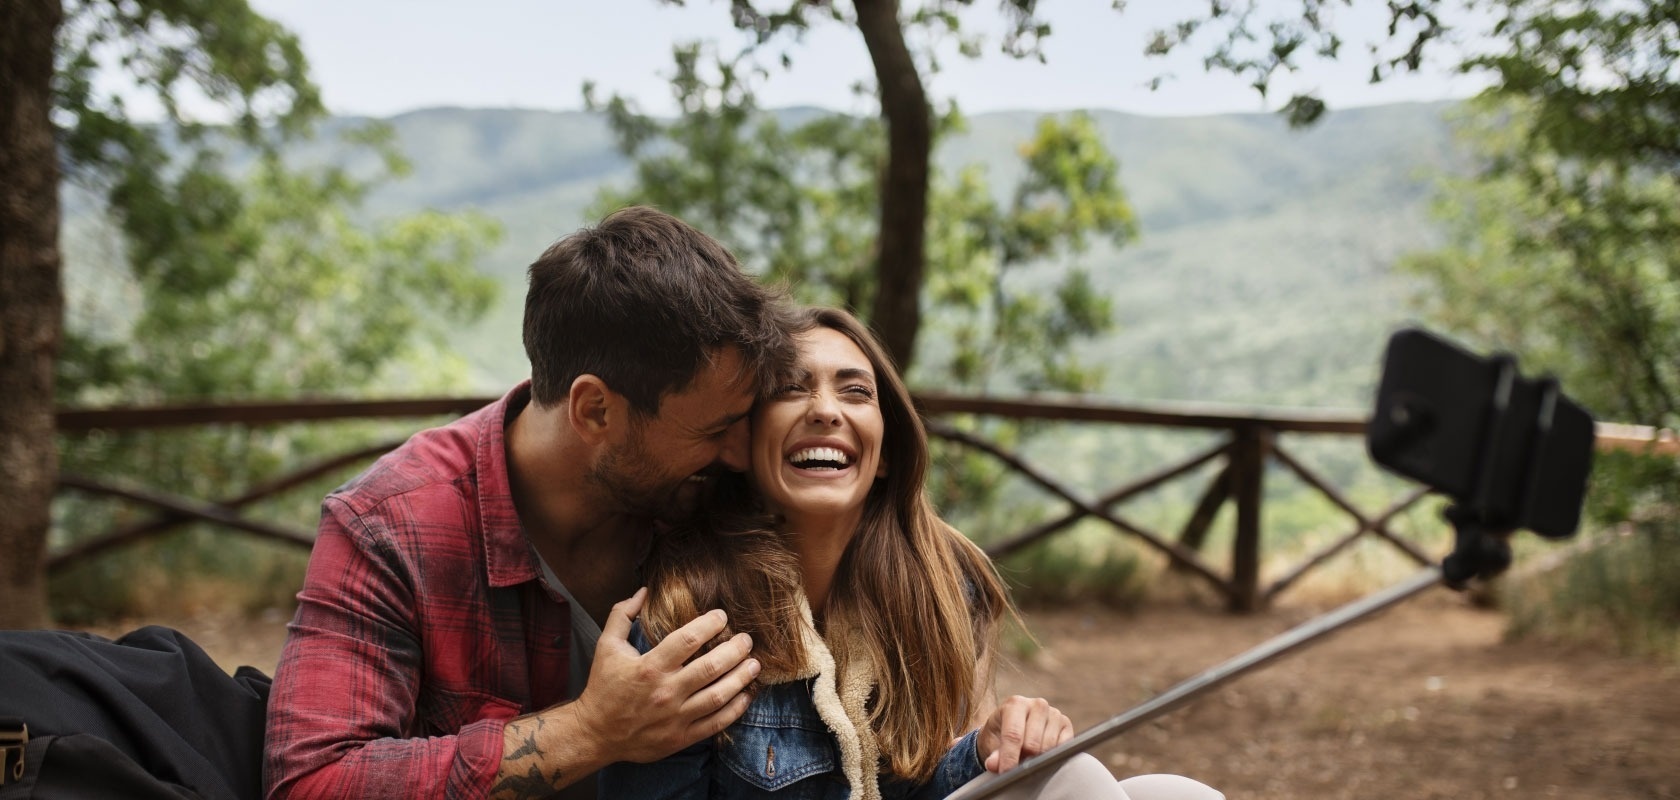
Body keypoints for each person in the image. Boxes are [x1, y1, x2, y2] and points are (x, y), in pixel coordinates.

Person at [262, 206, 800, 799]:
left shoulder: (713, 493)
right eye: (713, 431)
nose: (739, 454)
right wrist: (593, 731)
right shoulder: (388, 524)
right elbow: (310, 783)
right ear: (595, 410)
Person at [599, 306, 1223, 800]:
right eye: (792, 389)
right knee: (1077, 782)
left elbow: (911, 787)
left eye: (855, 392)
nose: (825, 410)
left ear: (887, 451)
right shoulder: (690, 621)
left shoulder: (937, 588)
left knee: (1175, 794)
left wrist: (985, 747)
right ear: (738, 445)